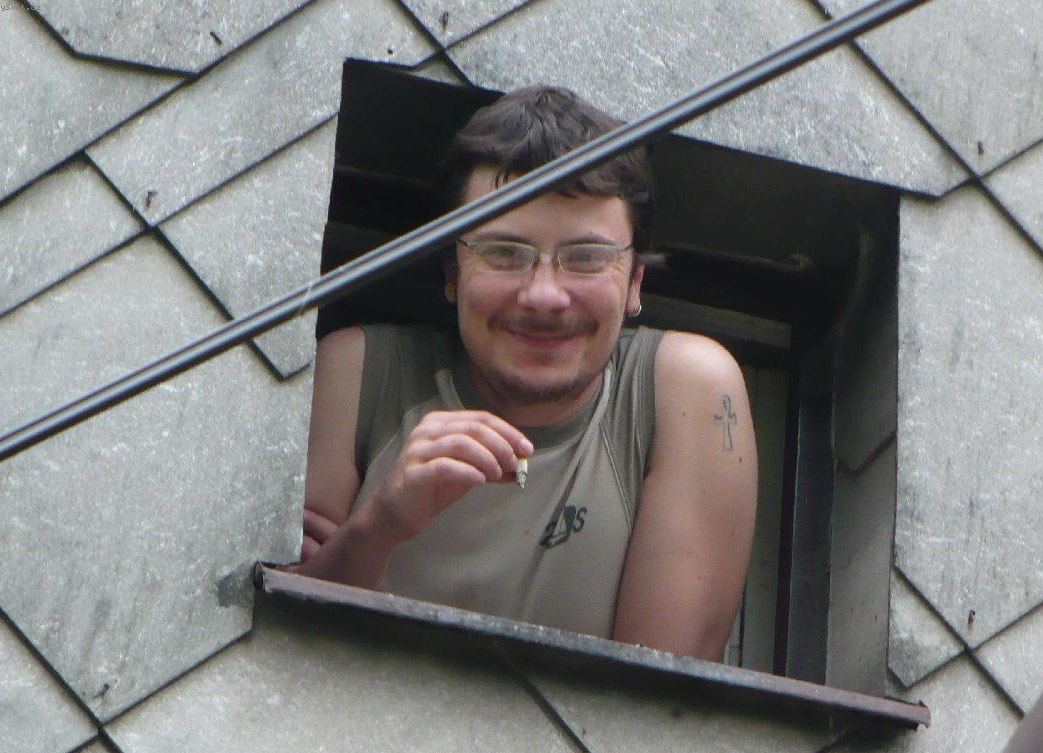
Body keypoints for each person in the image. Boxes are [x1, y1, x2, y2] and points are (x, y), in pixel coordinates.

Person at [295, 86, 756, 661]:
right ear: (451, 271)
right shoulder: (357, 370)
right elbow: (274, 656)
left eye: (586, 258)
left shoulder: (686, 389)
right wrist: (380, 525)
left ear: (635, 281)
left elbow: (654, 694)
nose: (543, 296)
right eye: (504, 253)